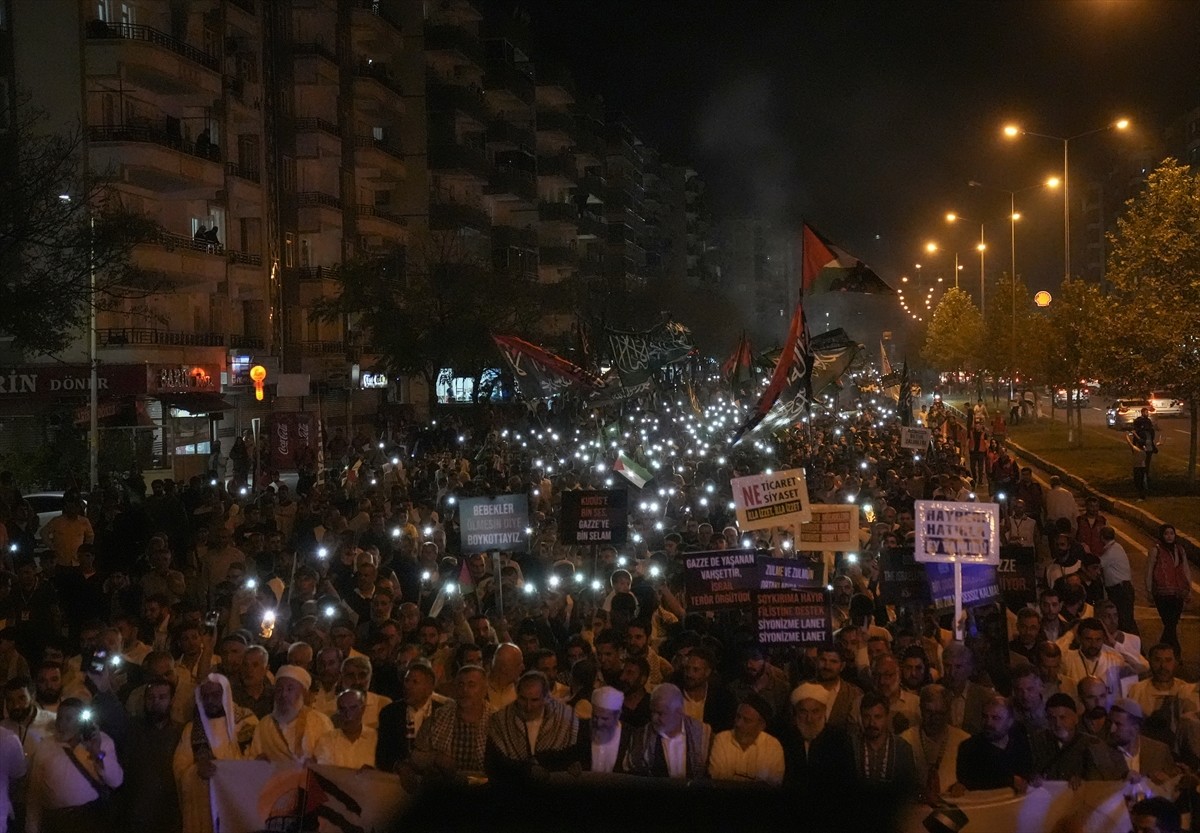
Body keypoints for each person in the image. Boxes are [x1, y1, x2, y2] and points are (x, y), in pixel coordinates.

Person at [26, 698, 123, 833]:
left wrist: (96, 753)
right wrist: (31, 827)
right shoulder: (46, 745)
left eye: (68, 719)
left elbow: (116, 781)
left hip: (90, 820)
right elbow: (35, 791)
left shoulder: (102, 742)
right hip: (56, 822)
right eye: (60, 718)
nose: (61, 724)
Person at [485, 670, 580, 779]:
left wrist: (567, 764)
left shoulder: (564, 721)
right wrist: (526, 770)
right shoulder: (500, 722)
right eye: (523, 699)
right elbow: (494, 764)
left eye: (534, 700)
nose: (528, 706)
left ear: (545, 698)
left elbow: (567, 756)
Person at [120, 677, 183, 832]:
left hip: (171, 816)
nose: (155, 702)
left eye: (162, 697)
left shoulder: (181, 733)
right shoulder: (133, 729)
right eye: (151, 697)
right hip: (136, 815)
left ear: (172, 700)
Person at [409, 664, 492, 779]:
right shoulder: (439, 716)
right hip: (445, 787)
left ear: (484, 689)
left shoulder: (496, 721)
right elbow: (416, 756)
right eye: (460, 685)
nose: (465, 690)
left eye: (471, 685)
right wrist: (435, 758)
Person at [246, 665, 332, 762]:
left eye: (290, 689)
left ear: (303, 693)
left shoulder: (320, 721)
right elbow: (253, 758)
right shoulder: (264, 725)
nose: (283, 694)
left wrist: (315, 763)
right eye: (279, 689)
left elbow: (330, 757)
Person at [622, 683, 708, 779]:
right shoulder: (641, 738)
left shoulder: (702, 735)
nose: (654, 718)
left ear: (679, 712)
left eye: (660, 713)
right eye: (652, 712)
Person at [900, 684, 968, 804]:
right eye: (929, 712)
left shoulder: (964, 741)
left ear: (948, 712)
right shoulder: (905, 741)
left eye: (940, 713)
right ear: (921, 709)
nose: (934, 718)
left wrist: (964, 784)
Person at [375, 661, 447, 772]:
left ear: (429, 688)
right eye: (406, 680)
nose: (407, 686)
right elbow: (383, 755)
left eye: (415, 682)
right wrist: (398, 766)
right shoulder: (390, 713)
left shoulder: (444, 713)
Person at [1085, 699, 1177, 783]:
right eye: (1110, 723)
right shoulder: (1098, 754)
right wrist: (1122, 782)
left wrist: (1167, 781)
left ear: (1135, 728)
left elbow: (1172, 787)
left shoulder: (1159, 751)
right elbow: (1096, 791)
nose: (1112, 729)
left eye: (1118, 724)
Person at [953, 696, 1033, 792]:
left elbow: (1028, 773)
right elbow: (971, 782)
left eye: (995, 718)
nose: (988, 723)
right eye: (985, 717)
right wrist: (1010, 780)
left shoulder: (1019, 742)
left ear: (1009, 722)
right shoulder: (969, 747)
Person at [707, 692, 785, 785]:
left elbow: (772, 785)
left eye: (746, 720)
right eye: (738, 717)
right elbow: (717, 779)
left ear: (761, 725)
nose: (738, 724)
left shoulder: (773, 746)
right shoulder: (722, 739)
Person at [851, 691, 916, 788]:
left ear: (887, 716)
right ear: (861, 717)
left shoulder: (902, 748)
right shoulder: (850, 746)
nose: (872, 723)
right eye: (866, 717)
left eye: (878, 717)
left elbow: (908, 788)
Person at [1032, 692, 1097, 784]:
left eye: (1062, 717)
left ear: (1075, 718)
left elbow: (1099, 779)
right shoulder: (1039, 742)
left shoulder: (1091, 744)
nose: (1058, 724)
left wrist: (1083, 780)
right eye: (1052, 718)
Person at [1145, 525, 1191, 653]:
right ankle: (1175, 652)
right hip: (1162, 594)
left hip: (1178, 593)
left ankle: (1164, 650)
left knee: (1171, 625)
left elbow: (1186, 569)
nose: (1169, 536)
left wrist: (1189, 589)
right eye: (1166, 534)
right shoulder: (1156, 550)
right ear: (1162, 535)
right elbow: (1149, 571)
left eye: (1172, 533)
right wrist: (1149, 590)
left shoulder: (1180, 550)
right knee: (1170, 624)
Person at [314, 689, 376, 769]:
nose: (348, 714)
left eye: (353, 708)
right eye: (343, 709)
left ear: (363, 709)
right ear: (338, 712)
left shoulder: (375, 739)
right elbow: (325, 772)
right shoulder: (327, 740)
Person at [1096, 527, 1137, 634]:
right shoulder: (1116, 547)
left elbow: (1098, 564)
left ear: (1101, 537)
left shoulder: (1112, 551)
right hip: (1121, 589)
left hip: (1120, 590)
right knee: (1125, 619)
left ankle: (1133, 647)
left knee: (1124, 621)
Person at [581, 686, 628, 773]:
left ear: (617, 716)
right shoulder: (581, 730)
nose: (599, 723)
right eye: (595, 717)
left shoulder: (629, 736)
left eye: (605, 719)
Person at [1127, 432, 1150, 499]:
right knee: (1142, 482)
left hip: (1138, 468)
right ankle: (1142, 494)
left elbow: (1130, 443)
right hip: (1143, 467)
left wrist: (1126, 436)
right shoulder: (1144, 450)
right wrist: (1136, 435)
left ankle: (1141, 496)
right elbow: (1141, 442)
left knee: (1138, 482)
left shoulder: (1137, 450)